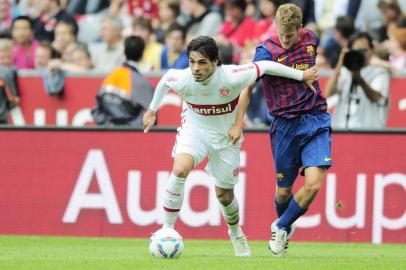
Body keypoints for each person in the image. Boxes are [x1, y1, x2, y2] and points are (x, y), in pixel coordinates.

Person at [143, 35, 318, 257]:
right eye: (192, 62)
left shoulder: (231, 76)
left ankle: (236, 234)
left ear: (215, 62)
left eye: (202, 62)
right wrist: (152, 109)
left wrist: (301, 75)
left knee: (224, 196)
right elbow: (166, 79)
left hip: (226, 138)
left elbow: (264, 66)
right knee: (180, 169)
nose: (196, 68)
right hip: (194, 131)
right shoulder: (183, 78)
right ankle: (167, 229)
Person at [232, 3, 331, 257]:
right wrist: (237, 121)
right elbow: (248, 87)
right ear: (275, 27)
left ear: (300, 28)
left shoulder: (311, 39)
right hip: (285, 125)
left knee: (314, 185)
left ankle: (281, 225)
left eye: (291, 34)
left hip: (316, 119)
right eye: (282, 34)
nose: (286, 40)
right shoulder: (266, 51)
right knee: (284, 191)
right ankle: (285, 226)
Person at [325, 32, 391, 129]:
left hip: (368, 132)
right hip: (342, 130)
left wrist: (359, 79)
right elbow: (328, 92)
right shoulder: (344, 72)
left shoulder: (380, 73)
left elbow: (376, 97)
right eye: (356, 50)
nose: (360, 54)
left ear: (372, 50)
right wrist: (341, 62)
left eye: (364, 50)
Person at [91, 36, 154, 126]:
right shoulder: (141, 82)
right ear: (142, 53)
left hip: (108, 134)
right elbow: (151, 117)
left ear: (124, 52)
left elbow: (96, 112)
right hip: (131, 136)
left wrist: (108, 125)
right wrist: (126, 128)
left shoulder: (110, 76)